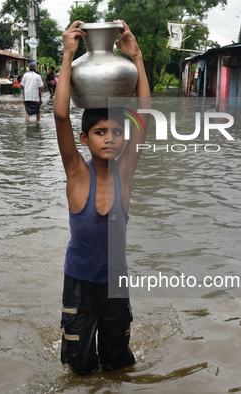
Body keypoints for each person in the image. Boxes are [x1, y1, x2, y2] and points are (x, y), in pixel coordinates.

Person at [53, 20, 150, 375]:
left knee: (116, 363)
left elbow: (144, 114)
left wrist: (136, 57)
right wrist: (68, 55)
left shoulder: (125, 173)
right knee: (79, 368)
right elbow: (61, 114)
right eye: (99, 132)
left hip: (116, 285)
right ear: (85, 138)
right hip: (79, 284)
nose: (109, 139)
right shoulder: (78, 175)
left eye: (116, 132)